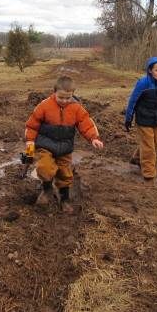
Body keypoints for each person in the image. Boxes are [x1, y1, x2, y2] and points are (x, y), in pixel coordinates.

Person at [25, 75, 104, 212]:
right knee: (45, 168)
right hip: (46, 145)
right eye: (60, 97)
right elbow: (32, 125)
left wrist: (93, 138)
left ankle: (65, 199)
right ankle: (47, 189)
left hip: (65, 148)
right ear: (54, 92)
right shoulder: (44, 106)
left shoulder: (76, 108)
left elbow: (86, 123)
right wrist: (30, 141)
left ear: (73, 94)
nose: (64, 101)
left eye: (68, 98)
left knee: (64, 174)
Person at [125, 57, 157, 181]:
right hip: (143, 119)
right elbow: (133, 101)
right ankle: (148, 172)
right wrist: (128, 118)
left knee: (154, 144)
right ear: (150, 70)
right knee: (149, 147)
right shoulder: (142, 83)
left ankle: (137, 159)